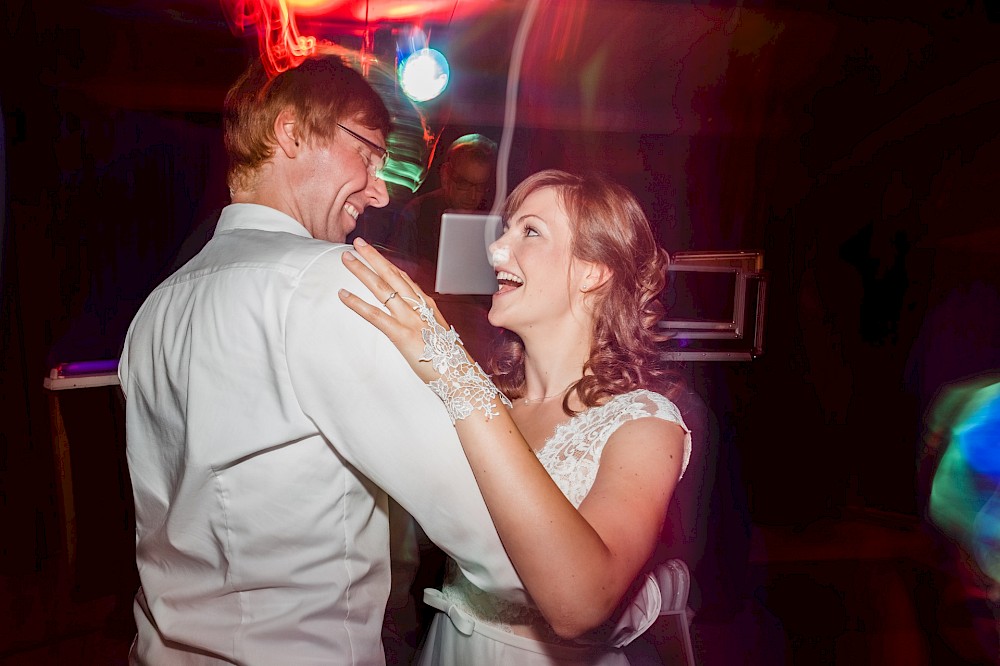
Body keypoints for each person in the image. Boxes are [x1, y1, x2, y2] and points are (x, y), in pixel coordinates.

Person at [117, 52, 525, 665]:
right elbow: (489, 533)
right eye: (368, 152)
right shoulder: (332, 283)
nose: (382, 191)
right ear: (291, 131)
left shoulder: (154, 307)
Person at [341, 169, 692, 664]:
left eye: (530, 231)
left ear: (593, 270)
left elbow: (581, 603)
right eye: (506, 230)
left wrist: (454, 374)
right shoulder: (489, 403)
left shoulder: (646, 424)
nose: (496, 250)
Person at [389, 133, 498, 269]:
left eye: (481, 186)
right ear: (446, 176)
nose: (473, 196)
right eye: (464, 184)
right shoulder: (417, 214)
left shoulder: (491, 218)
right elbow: (400, 269)